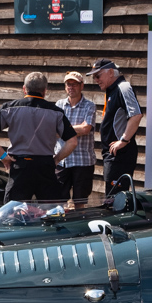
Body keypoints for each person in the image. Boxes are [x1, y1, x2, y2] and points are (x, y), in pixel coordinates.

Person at [0, 71, 78, 203]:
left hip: (20, 166)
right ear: (45, 90)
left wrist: (3, 156)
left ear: (24, 89)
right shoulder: (56, 112)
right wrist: (56, 160)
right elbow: (72, 142)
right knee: (51, 212)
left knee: (13, 212)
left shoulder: (9, 108)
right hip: (45, 166)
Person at [87, 58, 142, 188]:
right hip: (112, 154)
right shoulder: (111, 89)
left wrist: (123, 140)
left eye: (98, 76)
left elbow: (136, 114)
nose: (96, 80)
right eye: (94, 77)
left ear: (111, 72)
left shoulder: (123, 87)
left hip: (120, 155)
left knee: (116, 200)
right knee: (111, 199)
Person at [54, 71, 96, 208]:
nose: (71, 87)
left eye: (74, 84)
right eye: (68, 84)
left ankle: (79, 226)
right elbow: (53, 130)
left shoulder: (90, 105)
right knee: (58, 201)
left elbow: (86, 129)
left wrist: (63, 130)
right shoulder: (59, 105)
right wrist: (74, 130)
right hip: (62, 160)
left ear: (82, 86)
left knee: (80, 202)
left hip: (82, 160)